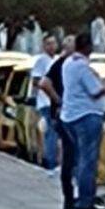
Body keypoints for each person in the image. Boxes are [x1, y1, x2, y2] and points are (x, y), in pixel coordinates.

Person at [58, 32, 105, 209]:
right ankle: (86, 200)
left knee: (80, 158)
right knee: (88, 160)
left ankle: (80, 196)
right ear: (87, 47)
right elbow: (94, 91)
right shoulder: (82, 67)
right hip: (86, 115)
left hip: (70, 115)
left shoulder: (68, 63)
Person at [32, 33, 61, 171]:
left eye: (53, 43)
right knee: (51, 132)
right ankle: (51, 162)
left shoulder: (58, 59)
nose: (51, 46)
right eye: (48, 43)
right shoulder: (41, 61)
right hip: (46, 102)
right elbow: (36, 81)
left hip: (57, 101)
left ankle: (57, 160)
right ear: (44, 46)